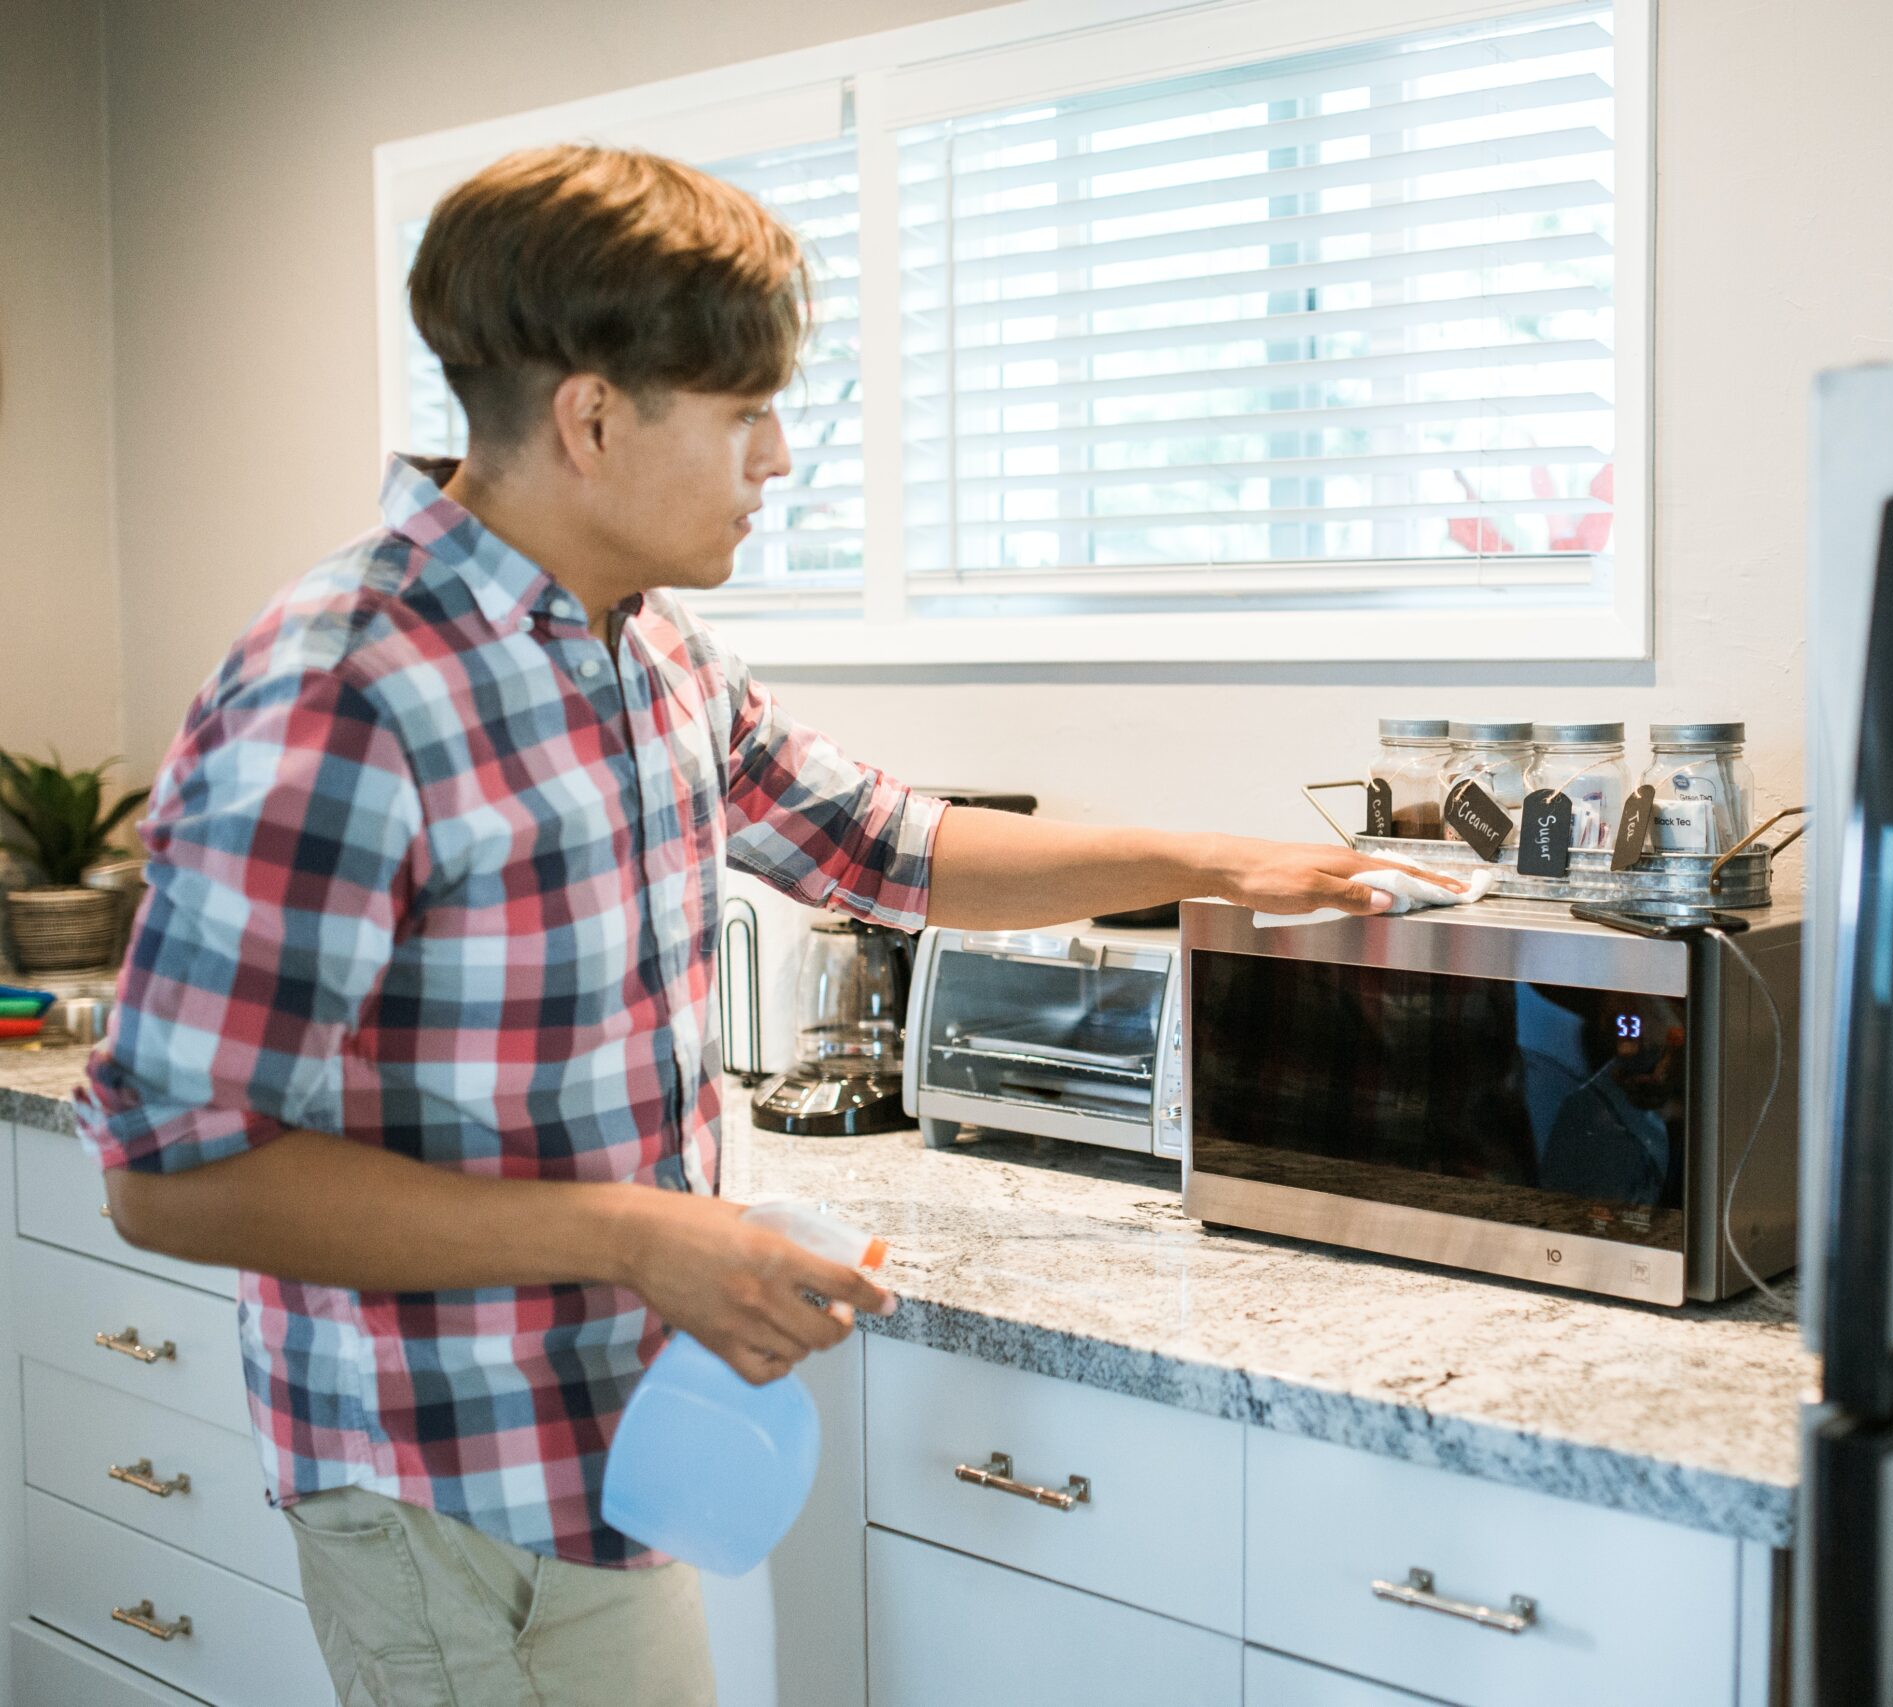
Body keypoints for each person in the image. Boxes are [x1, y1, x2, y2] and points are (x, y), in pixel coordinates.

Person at [74, 142, 1444, 1707]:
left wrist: (1239, 866)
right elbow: (173, 1176)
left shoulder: (647, 650)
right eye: (745, 416)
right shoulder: (344, 688)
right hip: (440, 1476)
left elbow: (890, 843)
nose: (779, 460)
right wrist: (640, 1235)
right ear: (592, 419)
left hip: (622, 1436)